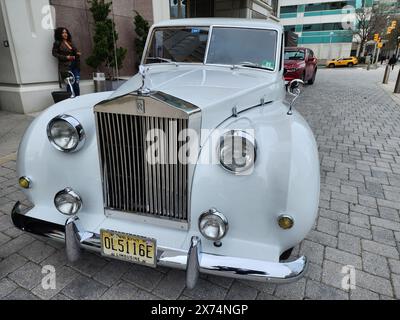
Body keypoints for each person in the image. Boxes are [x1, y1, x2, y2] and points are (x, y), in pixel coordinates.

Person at [52, 27, 81, 96]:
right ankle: (71, 101)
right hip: (66, 66)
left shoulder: (70, 42)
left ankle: (78, 100)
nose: (65, 34)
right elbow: (54, 53)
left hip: (75, 65)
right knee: (70, 84)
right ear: (59, 34)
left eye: (66, 32)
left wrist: (77, 53)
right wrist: (66, 57)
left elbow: (75, 51)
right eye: (63, 33)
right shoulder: (57, 43)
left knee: (76, 83)